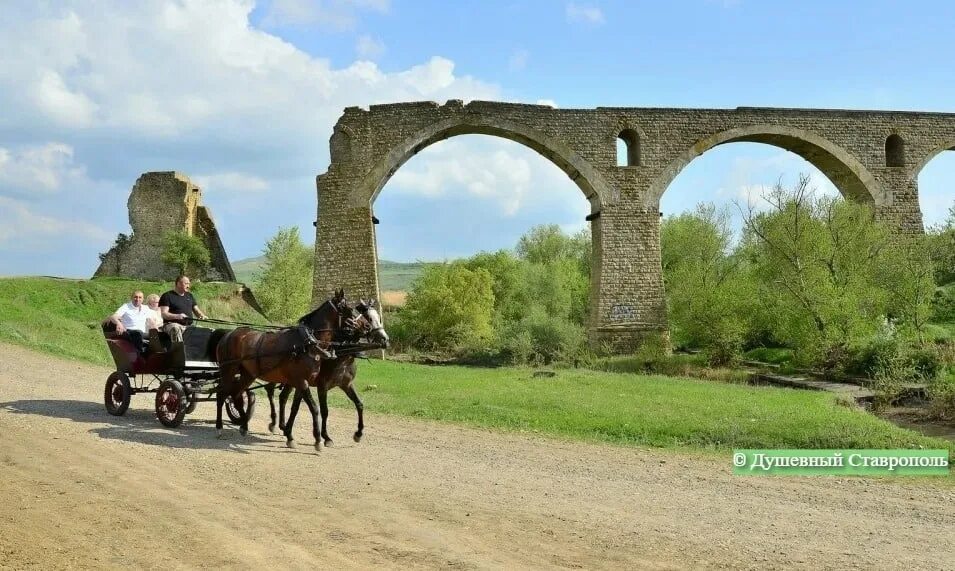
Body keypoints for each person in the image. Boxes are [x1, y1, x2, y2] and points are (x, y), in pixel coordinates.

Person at [159, 275, 207, 343]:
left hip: (189, 326)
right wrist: (177, 316)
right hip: (171, 324)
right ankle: (178, 351)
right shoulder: (167, 296)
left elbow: (196, 310)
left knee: (205, 330)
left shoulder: (189, 295)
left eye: (189, 284)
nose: (188, 286)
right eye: (186, 283)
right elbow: (164, 314)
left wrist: (202, 315)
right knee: (175, 328)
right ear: (178, 283)